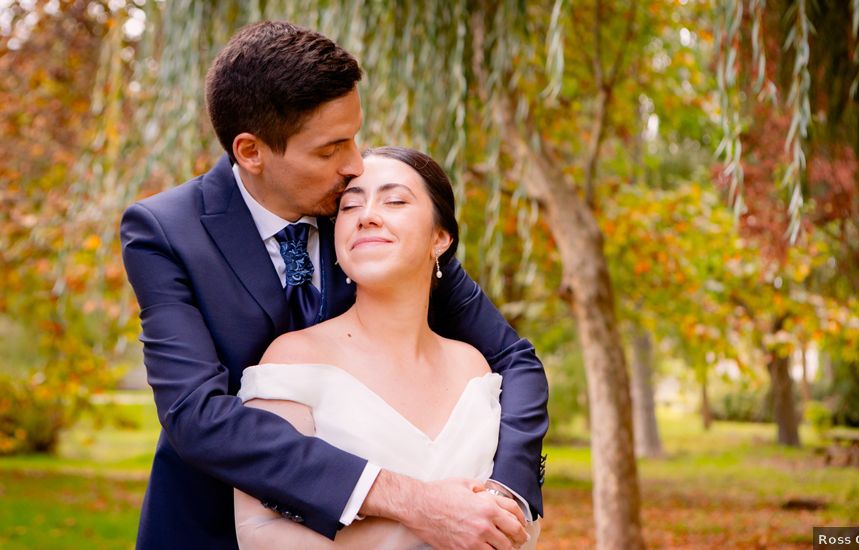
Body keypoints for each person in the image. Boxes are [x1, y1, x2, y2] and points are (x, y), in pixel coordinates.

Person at [120, 20, 548, 549]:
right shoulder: (166, 232)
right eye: (330, 150)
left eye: (354, 137)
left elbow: (515, 361)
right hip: (213, 532)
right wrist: (412, 499)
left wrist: (508, 491)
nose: (354, 166)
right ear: (251, 152)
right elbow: (198, 416)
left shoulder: (368, 218)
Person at [234, 146, 541, 549]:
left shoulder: (474, 367)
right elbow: (259, 531)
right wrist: (427, 521)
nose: (367, 216)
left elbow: (521, 525)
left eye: (395, 200)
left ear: (441, 238)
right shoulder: (294, 359)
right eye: (349, 207)